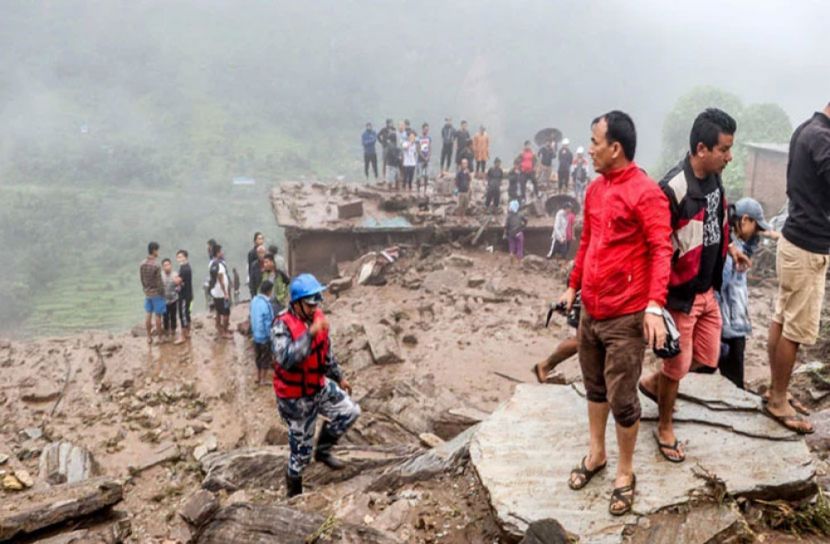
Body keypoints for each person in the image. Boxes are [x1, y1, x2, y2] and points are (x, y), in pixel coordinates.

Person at [558, 110, 672, 516]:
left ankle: (625, 472)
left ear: (615, 147)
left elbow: (662, 249)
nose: (590, 149)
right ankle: (596, 455)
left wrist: (655, 306)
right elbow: (587, 240)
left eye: (594, 142)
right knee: (594, 388)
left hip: (626, 317)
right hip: (591, 310)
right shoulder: (595, 190)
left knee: (623, 399)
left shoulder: (645, 192)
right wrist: (573, 286)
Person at [639, 108, 744, 463]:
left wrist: (729, 248)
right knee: (675, 366)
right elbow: (654, 243)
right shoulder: (672, 189)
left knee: (707, 357)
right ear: (702, 148)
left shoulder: (714, 179)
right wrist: (654, 300)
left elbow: (716, 221)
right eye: (724, 149)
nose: (730, 157)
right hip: (680, 295)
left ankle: (655, 385)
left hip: (707, 291)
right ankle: (664, 427)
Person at [765, 103, 830, 434]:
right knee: (795, 326)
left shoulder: (806, 129)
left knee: (782, 315)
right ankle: (778, 399)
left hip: (793, 239)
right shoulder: (823, 139)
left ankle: (778, 390)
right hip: (808, 246)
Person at [270, 273, 360, 497]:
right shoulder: (281, 325)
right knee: (300, 456)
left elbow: (325, 353)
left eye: (316, 303)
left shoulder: (318, 318)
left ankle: (323, 450)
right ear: (297, 303)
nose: (314, 308)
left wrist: (339, 376)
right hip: (295, 399)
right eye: (309, 304)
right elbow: (287, 358)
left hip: (318, 386)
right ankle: (294, 495)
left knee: (350, 411)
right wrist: (310, 333)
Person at [693, 198, 770, 389]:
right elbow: (718, 289)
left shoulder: (736, 247)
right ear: (745, 220)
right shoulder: (729, 254)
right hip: (727, 328)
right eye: (756, 228)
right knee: (728, 379)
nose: (756, 234)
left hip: (732, 325)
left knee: (707, 371)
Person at [250, 280, 276, 386]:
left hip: (255, 335)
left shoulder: (254, 300)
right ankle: (263, 380)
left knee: (258, 357)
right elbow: (268, 322)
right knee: (266, 358)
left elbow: (252, 317)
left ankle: (258, 376)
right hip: (264, 336)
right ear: (269, 291)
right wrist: (270, 336)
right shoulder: (266, 303)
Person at [140, 242, 165, 345]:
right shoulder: (156, 265)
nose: (158, 253)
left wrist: (146, 289)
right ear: (154, 250)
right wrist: (162, 293)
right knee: (158, 316)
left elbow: (142, 279)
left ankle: (149, 337)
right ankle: (159, 337)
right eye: (157, 250)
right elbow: (159, 282)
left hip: (147, 293)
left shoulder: (142, 263)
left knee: (148, 314)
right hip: (156, 293)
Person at [209, 244, 233, 340]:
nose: (222, 253)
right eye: (221, 251)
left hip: (215, 292)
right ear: (217, 253)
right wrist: (226, 293)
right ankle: (225, 331)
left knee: (218, 311)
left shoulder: (211, 263)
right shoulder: (219, 265)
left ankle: (218, 327)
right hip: (222, 293)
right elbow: (221, 280)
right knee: (226, 312)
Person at [176, 249, 193, 343]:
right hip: (189, 295)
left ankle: (183, 336)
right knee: (187, 313)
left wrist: (174, 278)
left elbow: (177, 281)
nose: (179, 259)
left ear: (186, 257)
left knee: (182, 315)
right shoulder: (187, 267)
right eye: (178, 257)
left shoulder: (184, 269)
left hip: (184, 296)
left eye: (181, 256)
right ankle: (188, 333)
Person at [161, 258, 180, 343]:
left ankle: (173, 330)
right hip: (164, 300)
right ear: (163, 267)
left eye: (168, 264)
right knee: (165, 317)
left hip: (173, 299)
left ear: (171, 265)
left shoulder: (175, 274)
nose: (167, 267)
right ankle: (166, 332)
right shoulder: (160, 275)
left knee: (173, 316)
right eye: (165, 265)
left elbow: (180, 285)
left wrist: (178, 288)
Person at [417, 123, 432, 192]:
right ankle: (418, 189)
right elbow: (418, 149)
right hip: (420, 159)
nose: (426, 131)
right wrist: (423, 157)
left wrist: (428, 157)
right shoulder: (419, 138)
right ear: (422, 129)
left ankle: (425, 190)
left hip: (427, 159)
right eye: (425, 129)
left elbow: (430, 148)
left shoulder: (429, 138)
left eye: (427, 130)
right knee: (419, 175)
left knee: (426, 175)